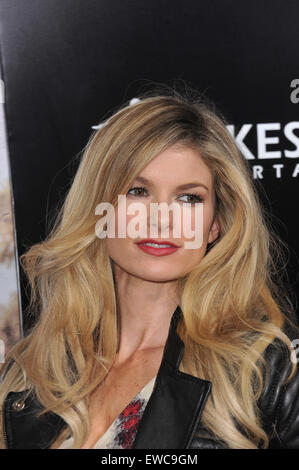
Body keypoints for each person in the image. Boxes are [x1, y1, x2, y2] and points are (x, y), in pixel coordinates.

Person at [0, 90, 299, 449]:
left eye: (189, 197)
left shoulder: (267, 370)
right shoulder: (31, 368)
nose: (161, 220)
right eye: (137, 191)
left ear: (215, 224)